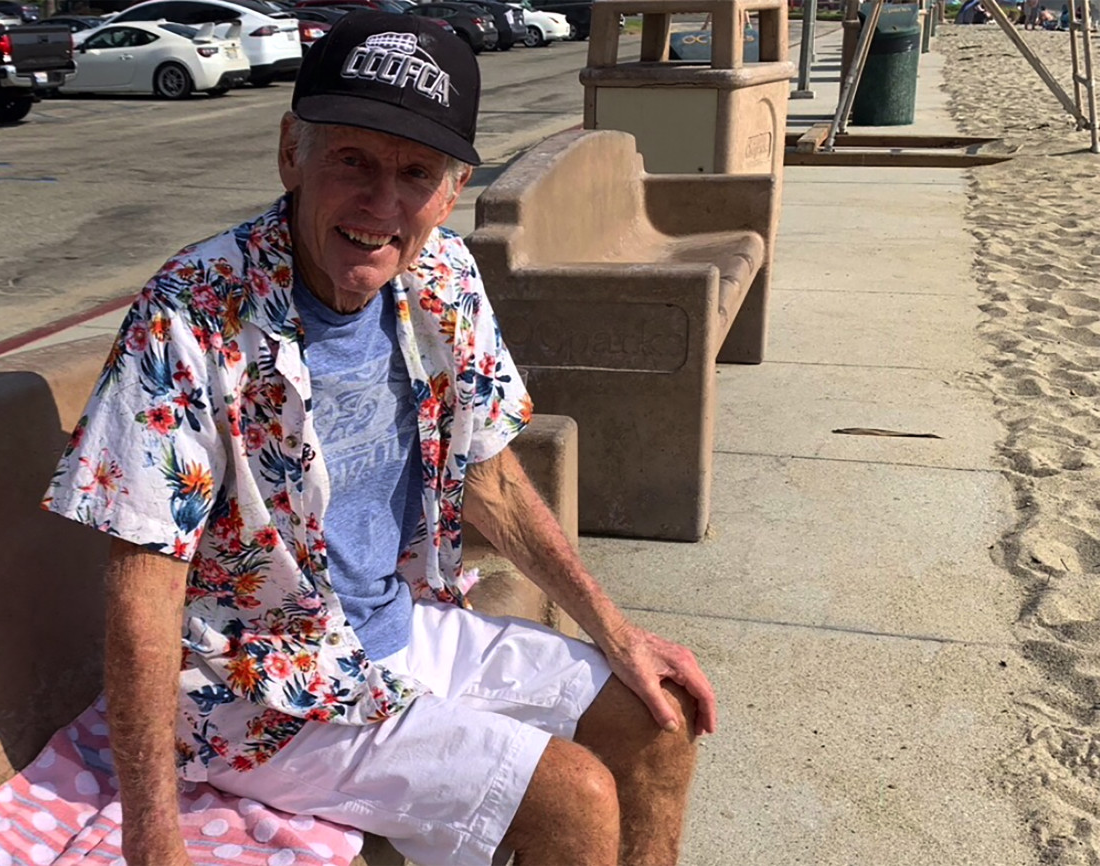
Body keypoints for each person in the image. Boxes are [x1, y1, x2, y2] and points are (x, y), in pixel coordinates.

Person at [42, 10, 717, 866]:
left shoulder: (443, 274)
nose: (381, 204)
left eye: (414, 173)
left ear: (454, 187)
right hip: (261, 691)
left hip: (403, 631)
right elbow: (144, 584)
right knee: (572, 796)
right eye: (352, 161)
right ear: (293, 151)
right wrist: (153, 839)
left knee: (658, 719)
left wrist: (620, 636)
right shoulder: (192, 312)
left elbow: (491, 478)